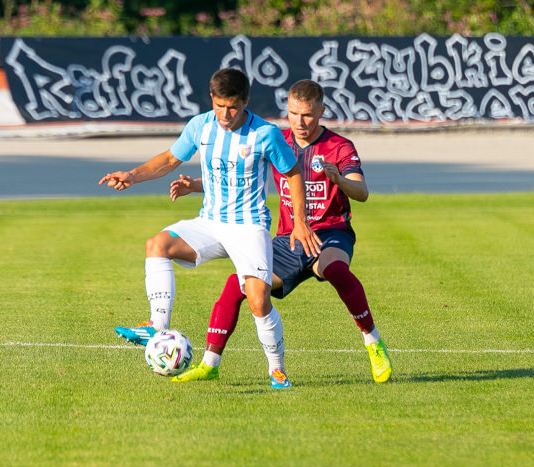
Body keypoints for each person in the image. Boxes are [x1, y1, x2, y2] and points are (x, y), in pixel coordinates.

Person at [100, 68, 321, 389]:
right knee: (157, 244)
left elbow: (293, 173)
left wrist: (300, 222)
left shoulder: (266, 134)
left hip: (249, 226)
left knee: (258, 299)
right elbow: (168, 159)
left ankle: (277, 370)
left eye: (232, 107)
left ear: (245, 102)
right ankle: (156, 326)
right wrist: (132, 175)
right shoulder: (200, 126)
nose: (225, 114)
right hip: (210, 222)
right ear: (212, 100)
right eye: (219, 105)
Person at [165, 79, 392, 384]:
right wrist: (196, 185)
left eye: (308, 114)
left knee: (335, 269)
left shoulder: (339, 147)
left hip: (330, 233)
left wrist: (338, 179)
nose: (300, 122)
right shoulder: (274, 138)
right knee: (239, 285)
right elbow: (239, 174)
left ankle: (373, 343)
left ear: (321, 111)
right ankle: (210, 363)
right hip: (288, 239)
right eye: (294, 113)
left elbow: (362, 192)